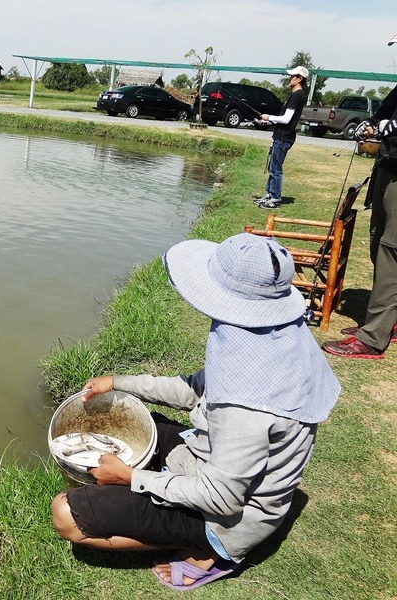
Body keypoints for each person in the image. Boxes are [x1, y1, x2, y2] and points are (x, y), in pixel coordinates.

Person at [51, 233, 340, 591]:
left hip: (226, 517)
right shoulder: (272, 332)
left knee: (66, 514)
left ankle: (205, 548)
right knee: (130, 423)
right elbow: (195, 388)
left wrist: (131, 478)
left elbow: (221, 497)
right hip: (213, 459)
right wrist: (119, 382)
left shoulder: (248, 404)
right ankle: (160, 501)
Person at [322, 34, 397, 359]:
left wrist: (387, 128)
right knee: (378, 242)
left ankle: (372, 338)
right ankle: (386, 323)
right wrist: (370, 124)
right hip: (387, 167)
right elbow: (383, 113)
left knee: (392, 253)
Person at [255, 66, 309, 209]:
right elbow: (285, 119)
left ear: (299, 79)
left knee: (276, 169)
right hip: (280, 135)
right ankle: (269, 195)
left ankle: (275, 199)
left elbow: (286, 119)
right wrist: (267, 121)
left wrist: (269, 116)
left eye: (292, 76)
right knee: (272, 167)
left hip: (284, 137)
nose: (288, 78)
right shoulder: (295, 95)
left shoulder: (297, 96)